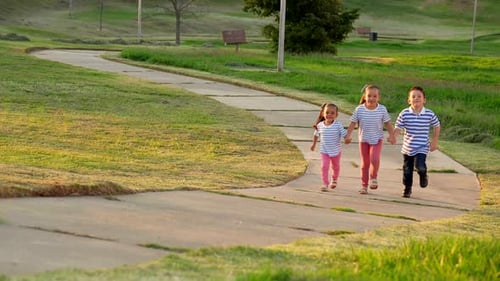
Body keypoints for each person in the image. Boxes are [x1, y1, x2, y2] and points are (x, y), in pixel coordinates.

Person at [391, 86, 441, 198]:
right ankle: (407, 189)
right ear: (409, 100)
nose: (416, 98)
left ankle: (423, 175)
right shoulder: (404, 113)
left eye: (419, 96)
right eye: (413, 97)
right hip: (408, 148)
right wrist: (393, 137)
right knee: (407, 171)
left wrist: (434, 141)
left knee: (420, 166)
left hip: (422, 146)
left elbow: (437, 126)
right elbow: (398, 128)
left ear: (424, 100)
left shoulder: (429, 113)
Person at [345, 84, 395, 195]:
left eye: (374, 96)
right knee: (365, 164)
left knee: (374, 158)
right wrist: (348, 135)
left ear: (379, 97)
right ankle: (364, 186)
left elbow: (387, 123)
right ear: (365, 96)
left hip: (377, 139)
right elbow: (352, 123)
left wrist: (392, 135)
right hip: (363, 140)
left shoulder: (382, 109)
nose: (371, 98)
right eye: (369, 96)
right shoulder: (359, 109)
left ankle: (373, 177)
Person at [311, 103, 350, 192]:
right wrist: (313, 145)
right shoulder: (320, 125)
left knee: (335, 167)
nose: (329, 115)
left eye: (332, 113)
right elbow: (316, 135)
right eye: (327, 112)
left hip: (336, 151)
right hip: (324, 151)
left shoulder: (338, 125)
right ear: (323, 114)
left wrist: (347, 139)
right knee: (324, 166)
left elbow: (345, 135)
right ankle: (325, 183)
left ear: (336, 115)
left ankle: (334, 179)